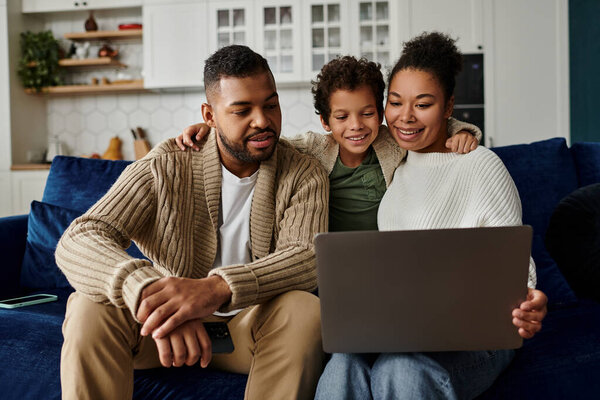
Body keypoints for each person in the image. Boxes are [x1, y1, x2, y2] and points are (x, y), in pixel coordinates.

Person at [55, 45, 329, 400]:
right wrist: (149, 295)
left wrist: (213, 291)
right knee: (87, 306)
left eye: (271, 105)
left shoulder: (304, 172)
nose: (262, 120)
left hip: (247, 333)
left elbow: (307, 257)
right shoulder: (166, 165)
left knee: (305, 310)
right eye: (242, 110)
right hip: (161, 332)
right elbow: (80, 237)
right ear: (209, 115)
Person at [314, 32, 548, 400]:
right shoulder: (395, 165)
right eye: (395, 103)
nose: (405, 117)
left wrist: (529, 300)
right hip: (401, 332)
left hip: (475, 337)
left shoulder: (481, 165)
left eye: (423, 104)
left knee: (400, 369)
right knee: (342, 362)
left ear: (448, 106)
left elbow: (518, 269)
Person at [176, 56, 481, 233]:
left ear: (381, 113)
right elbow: (262, 141)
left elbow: (426, 129)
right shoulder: (313, 149)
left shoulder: (392, 143)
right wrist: (211, 127)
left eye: (368, 113)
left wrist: (464, 131)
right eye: (342, 117)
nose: (356, 125)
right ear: (325, 122)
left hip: (386, 256)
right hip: (331, 261)